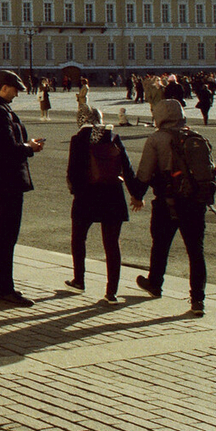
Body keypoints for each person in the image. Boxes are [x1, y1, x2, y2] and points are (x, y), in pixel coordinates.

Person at [132, 99, 209, 316]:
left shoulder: (157, 139)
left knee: (161, 244)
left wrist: (137, 194)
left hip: (167, 201)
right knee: (196, 251)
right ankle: (197, 300)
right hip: (195, 202)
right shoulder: (194, 137)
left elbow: (144, 174)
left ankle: (155, 283)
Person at [0, 70, 45, 307]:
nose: (17, 94)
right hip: (7, 181)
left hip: (1, 181)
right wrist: (30, 147)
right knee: (6, 236)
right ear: (5, 87)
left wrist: (26, 145)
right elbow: (7, 148)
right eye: (15, 89)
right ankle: (5, 288)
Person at [65, 108, 141, 304]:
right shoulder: (113, 137)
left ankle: (79, 280)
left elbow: (73, 172)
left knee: (79, 238)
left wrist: (76, 191)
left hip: (86, 197)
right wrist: (136, 195)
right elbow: (127, 168)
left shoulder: (78, 139)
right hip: (113, 196)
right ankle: (111, 292)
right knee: (112, 244)